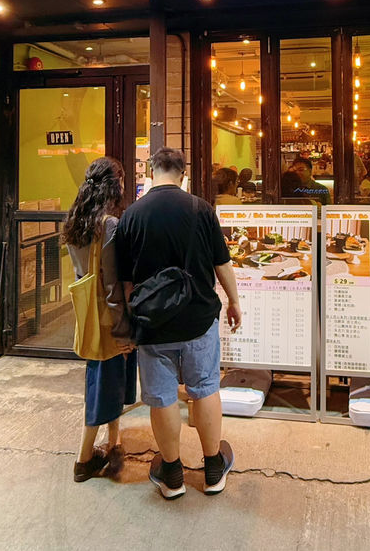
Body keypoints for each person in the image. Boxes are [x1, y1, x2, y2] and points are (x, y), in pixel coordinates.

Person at [115, 147, 242, 499]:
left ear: (150, 171)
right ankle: (213, 468)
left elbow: (126, 281)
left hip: (153, 323)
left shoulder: (131, 215)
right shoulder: (201, 209)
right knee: (205, 388)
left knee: (162, 396)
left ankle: (172, 475)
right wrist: (234, 301)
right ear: (183, 174)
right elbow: (222, 262)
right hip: (198, 318)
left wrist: (131, 321)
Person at [63, 157, 137, 483]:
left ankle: (114, 441)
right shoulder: (109, 226)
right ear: (114, 184)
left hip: (89, 315)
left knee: (109, 381)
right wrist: (123, 330)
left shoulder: (75, 221)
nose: (124, 184)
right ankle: (83, 459)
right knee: (102, 385)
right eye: (121, 179)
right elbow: (111, 285)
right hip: (109, 317)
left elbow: (83, 274)